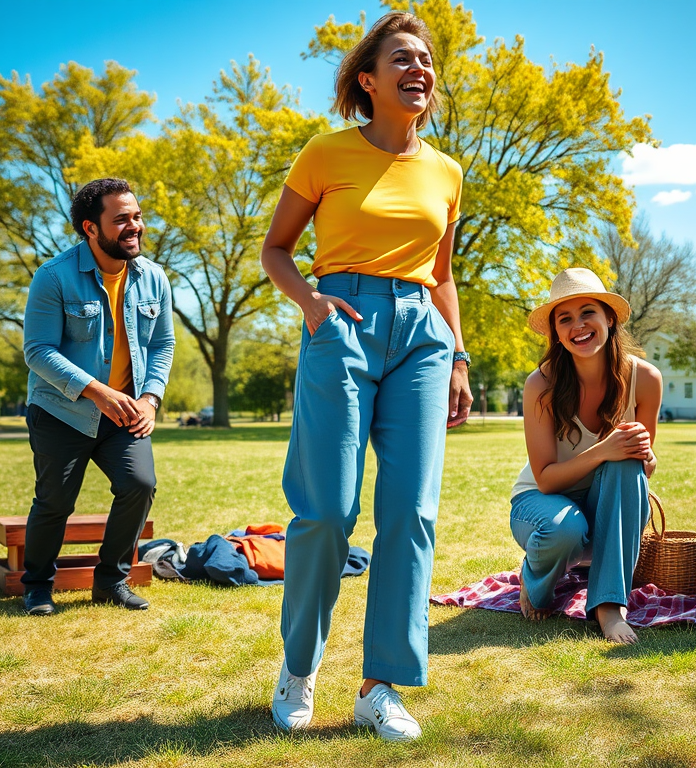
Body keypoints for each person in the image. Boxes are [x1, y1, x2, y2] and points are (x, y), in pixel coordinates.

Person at [260, 11, 472, 741]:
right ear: (367, 79)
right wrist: (313, 305)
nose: (420, 70)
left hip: (422, 336)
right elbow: (276, 250)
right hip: (341, 325)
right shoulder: (325, 153)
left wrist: (460, 355)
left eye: (427, 61)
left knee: (411, 513)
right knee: (327, 510)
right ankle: (298, 667)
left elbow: (441, 276)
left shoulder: (447, 172)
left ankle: (382, 685)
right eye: (403, 59)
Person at [21, 178, 175, 616]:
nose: (135, 226)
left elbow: (162, 344)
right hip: (60, 411)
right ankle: (37, 587)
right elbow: (38, 351)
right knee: (56, 501)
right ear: (91, 228)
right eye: (122, 219)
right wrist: (97, 392)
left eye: (137, 216)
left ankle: (111, 581)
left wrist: (150, 398)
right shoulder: (53, 277)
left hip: (126, 411)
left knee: (140, 484)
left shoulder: (154, 278)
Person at [509, 267, 662, 644]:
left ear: (609, 318)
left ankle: (609, 607)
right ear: (557, 334)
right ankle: (534, 578)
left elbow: (645, 465)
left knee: (625, 461)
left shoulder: (645, 378)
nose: (578, 325)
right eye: (565, 319)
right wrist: (603, 450)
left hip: (607, 505)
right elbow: (545, 478)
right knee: (566, 529)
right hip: (542, 504)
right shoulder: (541, 384)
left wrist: (643, 455)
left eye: (587, 312)